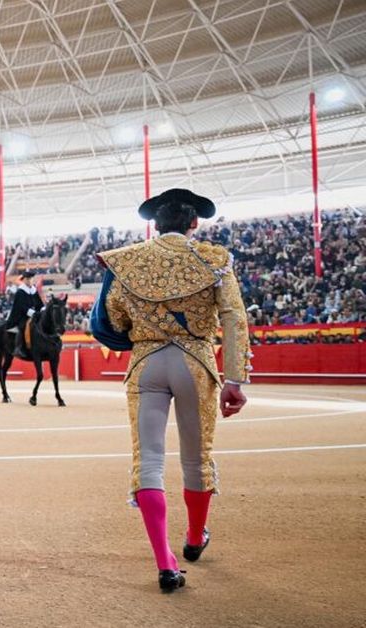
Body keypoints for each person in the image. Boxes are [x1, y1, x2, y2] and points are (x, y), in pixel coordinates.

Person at [89, 188, 251, 592]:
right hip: (196, 361)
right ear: (194, 223)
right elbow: (234, 318)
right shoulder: (214, 260)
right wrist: (234, 379)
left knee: (149, 461)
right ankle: (195, 538)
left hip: (146, 363)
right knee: (197, 457)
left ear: (154, 226)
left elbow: (111, 317)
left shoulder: (127, 261)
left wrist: (144, 328)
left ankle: (165, 563)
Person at [4, 269, 43, 358]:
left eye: (31, 279)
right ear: (24, 280)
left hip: (33, 314)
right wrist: (33, 313)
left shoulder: (34, 290)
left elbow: (39, 303)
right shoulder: (20, 292)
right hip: (20, 316)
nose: (30, 281)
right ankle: (19, 347)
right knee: (23, 326)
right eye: (28, 279)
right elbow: (22, 307)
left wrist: (43, 310)